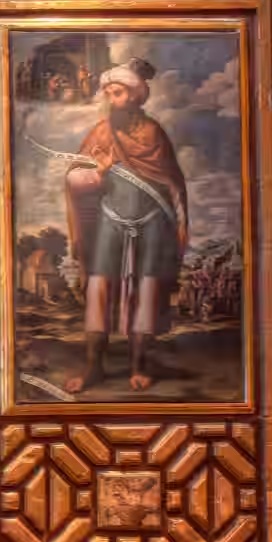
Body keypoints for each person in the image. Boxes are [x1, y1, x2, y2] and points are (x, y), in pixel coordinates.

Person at [64, 59, 190, 393]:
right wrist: (101, 172)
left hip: (152, 223)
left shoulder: (154, 134)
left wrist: (175, 222)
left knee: (147, 291)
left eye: (117, 92)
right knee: (99, 290)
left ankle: (140, 365)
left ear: (135, 95)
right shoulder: (101, 132)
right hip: (110, 219)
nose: (111, 99)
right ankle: (94, 367)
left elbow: (172, 182)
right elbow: (75, 178)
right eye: (107, 93)